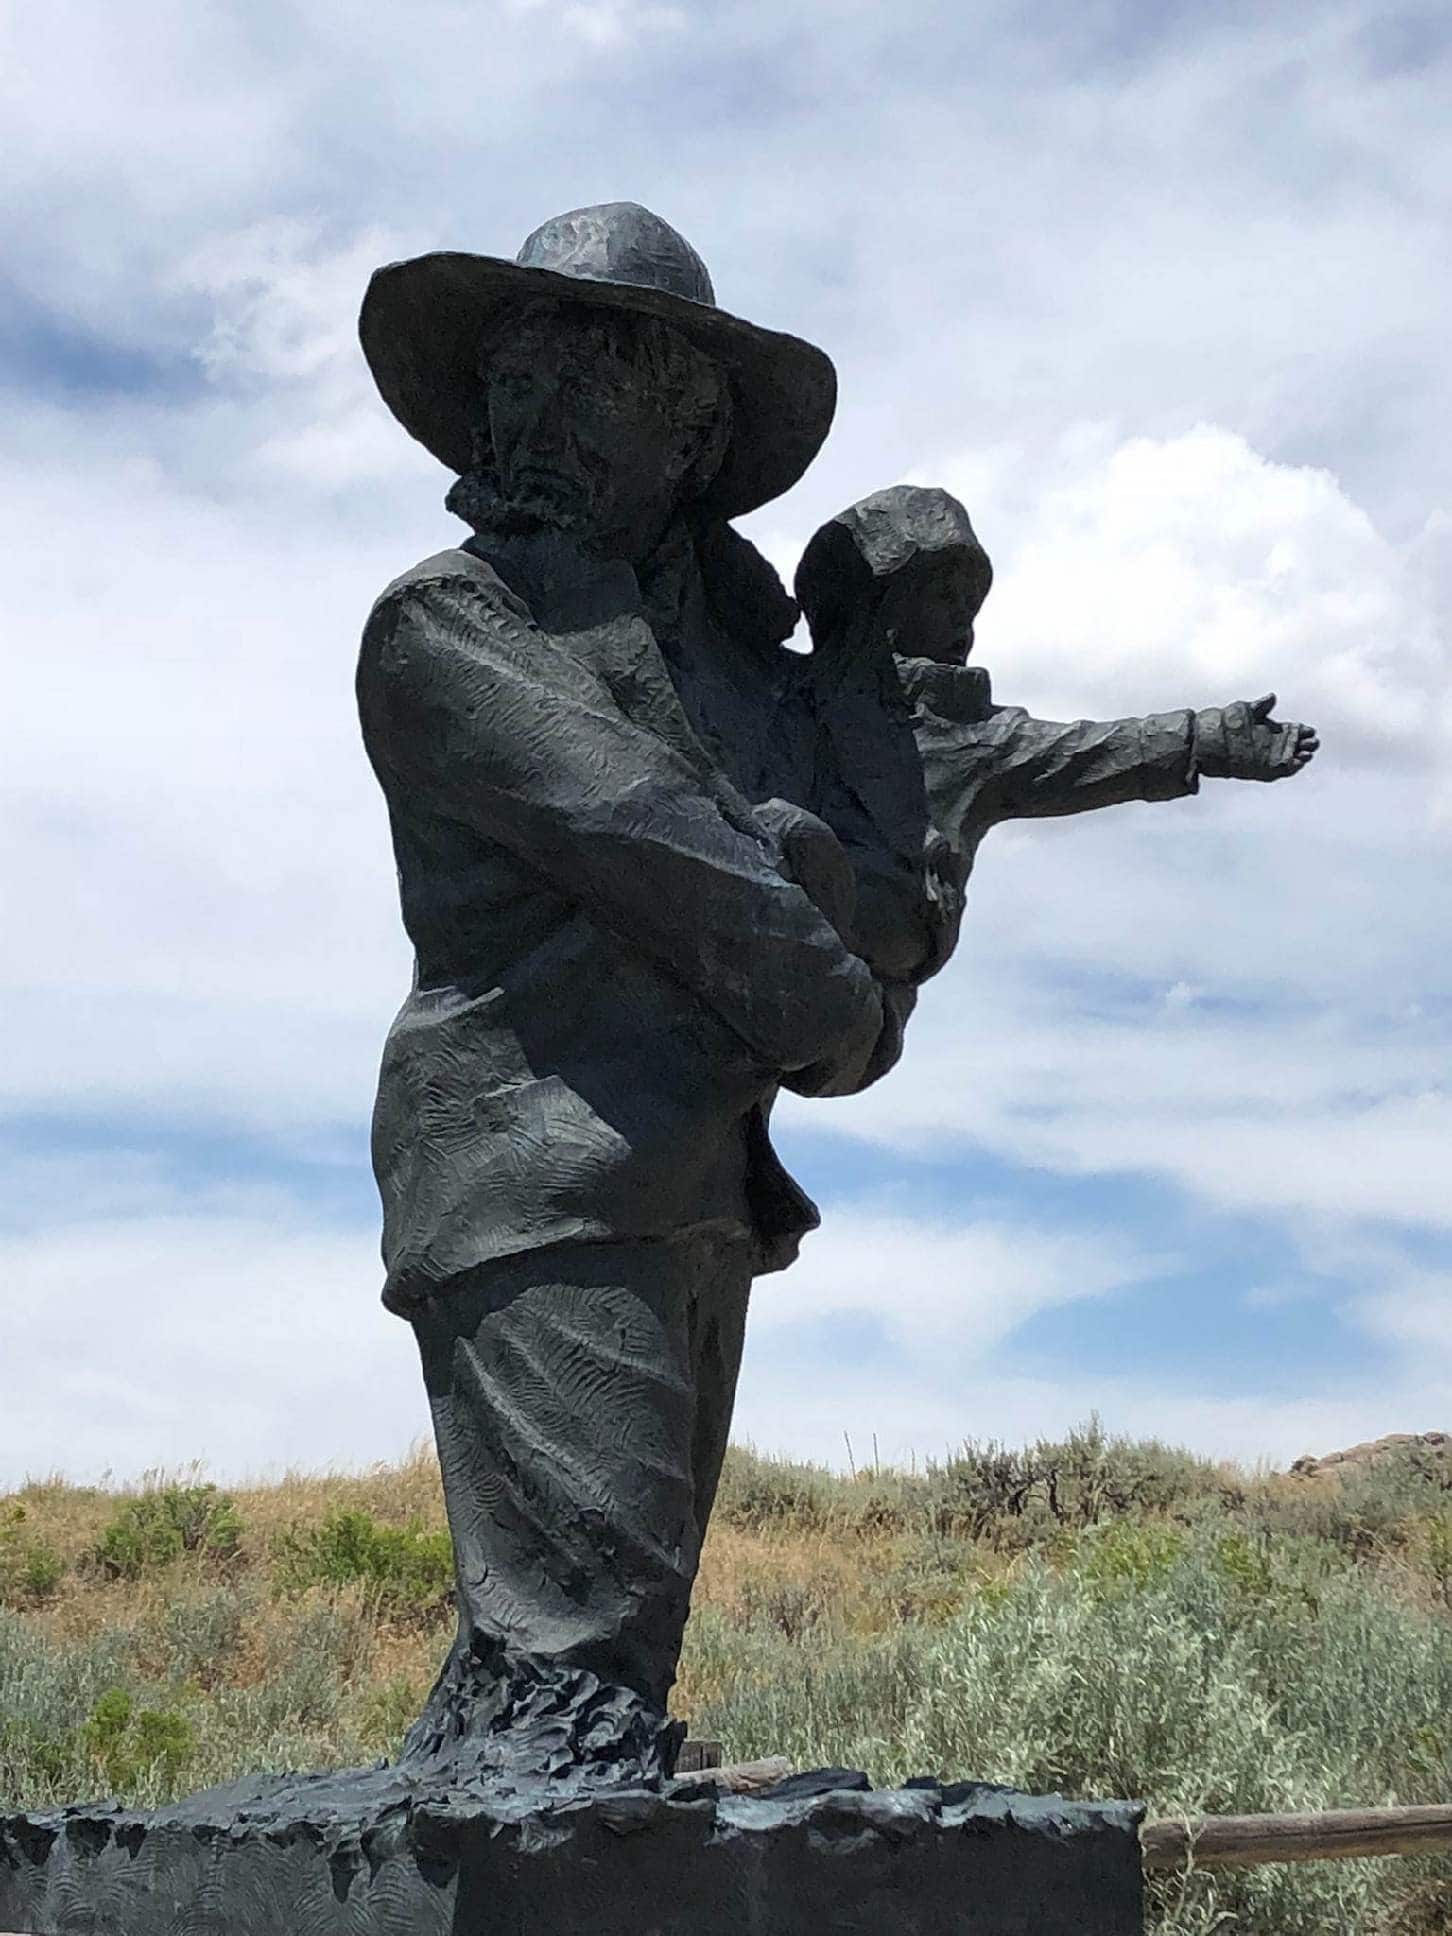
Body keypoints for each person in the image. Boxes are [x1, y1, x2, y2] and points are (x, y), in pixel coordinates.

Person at [356, 206, 1317, 1783]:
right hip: (531, 1174)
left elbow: (870, 826)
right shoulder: (454, 624)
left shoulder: (734, 661)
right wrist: (843, 1007)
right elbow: (654, 838)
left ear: (680, 433)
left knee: (600, 1642)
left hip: (692, 1176)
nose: (535, 419)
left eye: (589, 385)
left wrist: (881, 819)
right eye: (519, 386)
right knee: (578, 1632)